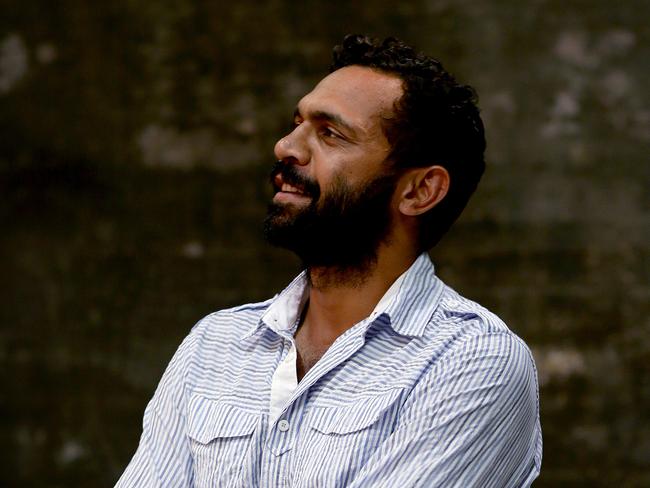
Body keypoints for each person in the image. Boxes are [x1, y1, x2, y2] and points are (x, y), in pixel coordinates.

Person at [116, 34, 542, 487]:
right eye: (296, 123)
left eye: (330, 134)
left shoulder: (471, 362)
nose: (286, 147)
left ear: (420, 191)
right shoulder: (215, 345)